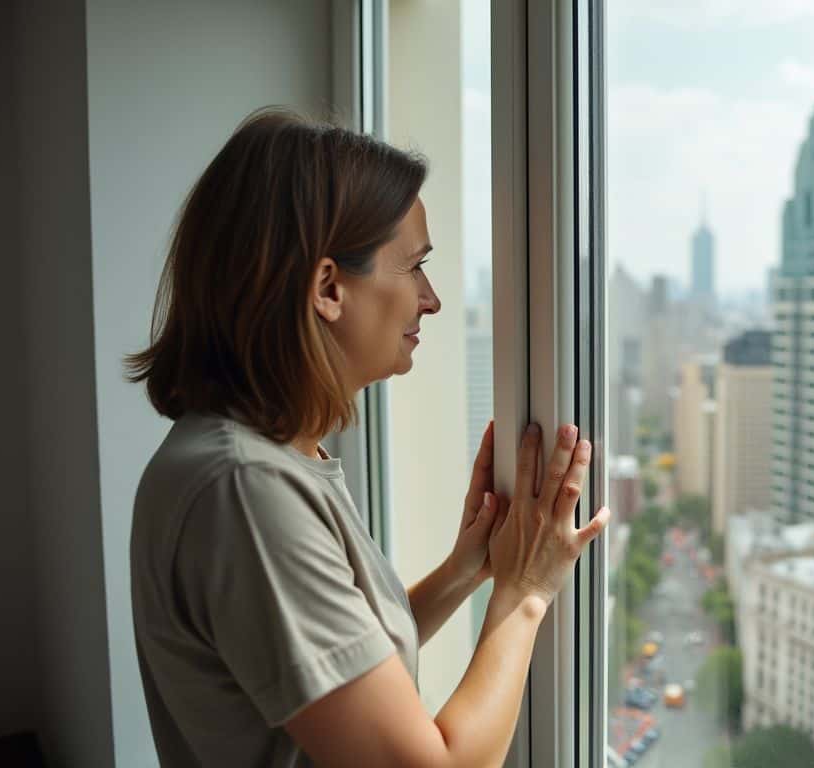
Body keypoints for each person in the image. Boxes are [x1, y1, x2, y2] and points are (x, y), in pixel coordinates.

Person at [126, 107, 608, 767]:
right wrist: (524, 595)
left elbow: (333, 667)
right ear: (328, 287)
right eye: (413, 267)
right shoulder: (246, 490)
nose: (431, 298)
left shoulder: (261, 459)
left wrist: (466, 572)